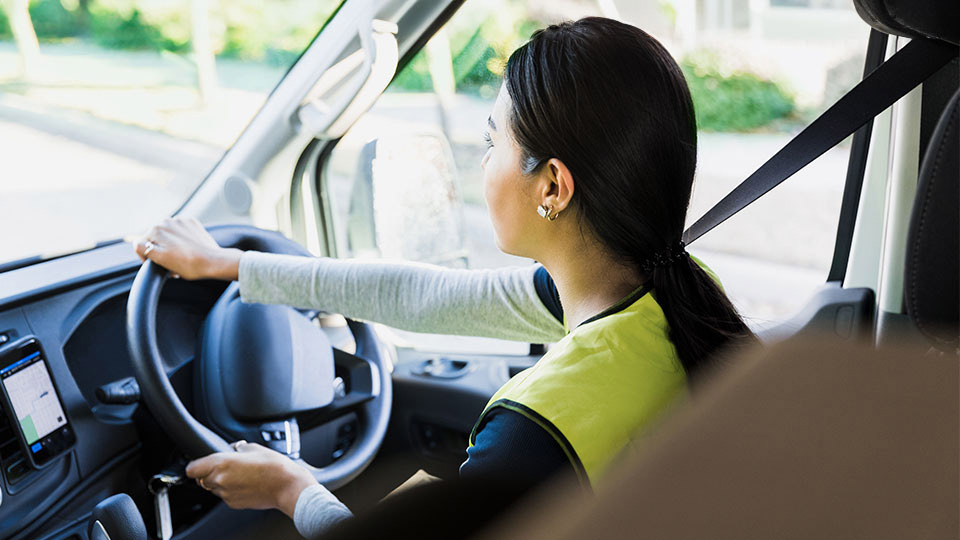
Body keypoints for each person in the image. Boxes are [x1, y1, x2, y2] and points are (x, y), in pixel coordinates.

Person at [134, 17, 756, 539]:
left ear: (553, 186)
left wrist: (291, 489)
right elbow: (426, 296)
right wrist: (230, 265)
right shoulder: (675, 290)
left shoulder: (536, 430)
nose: (482, 165)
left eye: (492, 144)